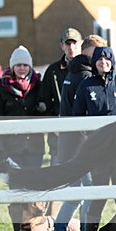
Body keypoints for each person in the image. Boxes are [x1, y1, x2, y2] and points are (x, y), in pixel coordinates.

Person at [46, 34, 107, 231]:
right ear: (89, 52)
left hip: (69, 142)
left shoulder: (73, 72)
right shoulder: (85, 76)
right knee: (87, 191)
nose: (101, 58)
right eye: (98, 54)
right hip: (80, 143)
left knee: (76, 194)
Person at [73, 46, 116, 231]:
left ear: (112, 61)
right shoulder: (86, 86)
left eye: (107, 59)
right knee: (99, 194)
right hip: (99, 152)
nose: (103, 63)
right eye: (99, 60)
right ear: (94, 63)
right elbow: (77, 117)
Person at [0, 45, 46, 231]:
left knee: (33, 191)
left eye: (25, 65)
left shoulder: (39, 85)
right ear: (12, 67)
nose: (22, 68)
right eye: (18, 65)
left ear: (30, 66)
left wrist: (43, 110)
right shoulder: (2, 88)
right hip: (12, 148)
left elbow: (47, 110)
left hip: (34, 148)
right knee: (16, 192)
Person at [39, 27, 83, 216]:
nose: (71, 47)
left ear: (81, 44)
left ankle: (84, 226)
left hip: (84, 137)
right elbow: (43, 103)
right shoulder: (53, 72)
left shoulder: (88, 68)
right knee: (58, 180)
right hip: (59, 137)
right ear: (62, 46)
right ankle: (53, 223)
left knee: (85, 183)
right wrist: (54, 125)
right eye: (67, 43)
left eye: (74, 43)